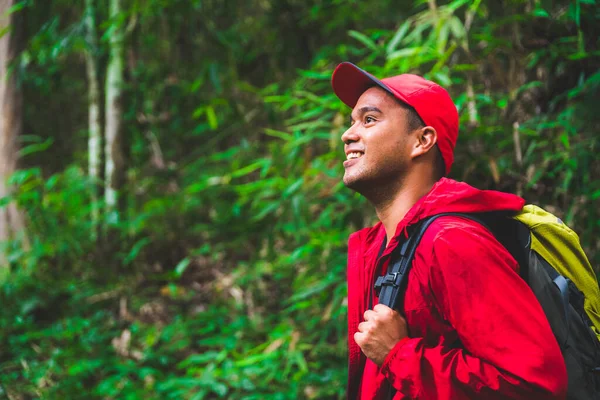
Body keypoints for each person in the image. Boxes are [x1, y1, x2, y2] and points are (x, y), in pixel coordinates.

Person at [331, 62, 568, 400]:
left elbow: (534, 384)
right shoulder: (384, 249)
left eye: (369, 120)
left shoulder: (452, 242)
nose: (348, 134)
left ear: (422, 141)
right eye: (352, 121)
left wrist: (399, 354)